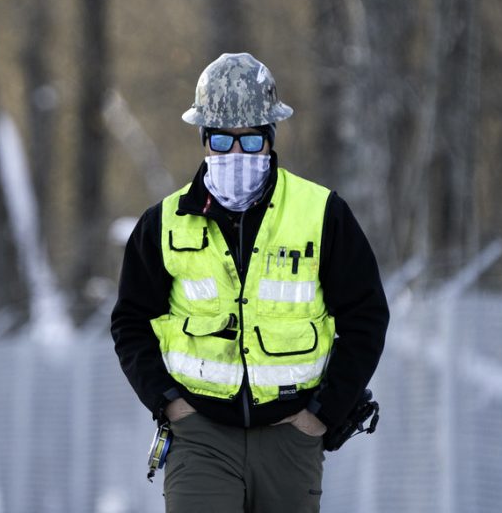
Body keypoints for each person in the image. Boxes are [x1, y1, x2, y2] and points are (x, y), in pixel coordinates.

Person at [111, 53, 389, 512]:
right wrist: (169, 404)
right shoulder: (162, 224)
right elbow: (130, 323)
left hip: (291, 436)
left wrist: (322, 415)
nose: (235, 154)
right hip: (200, 435)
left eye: (250, 140)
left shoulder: (322, 214)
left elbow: (366, 316)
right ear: (204, 139)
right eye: (221, 141)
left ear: (270, 138)